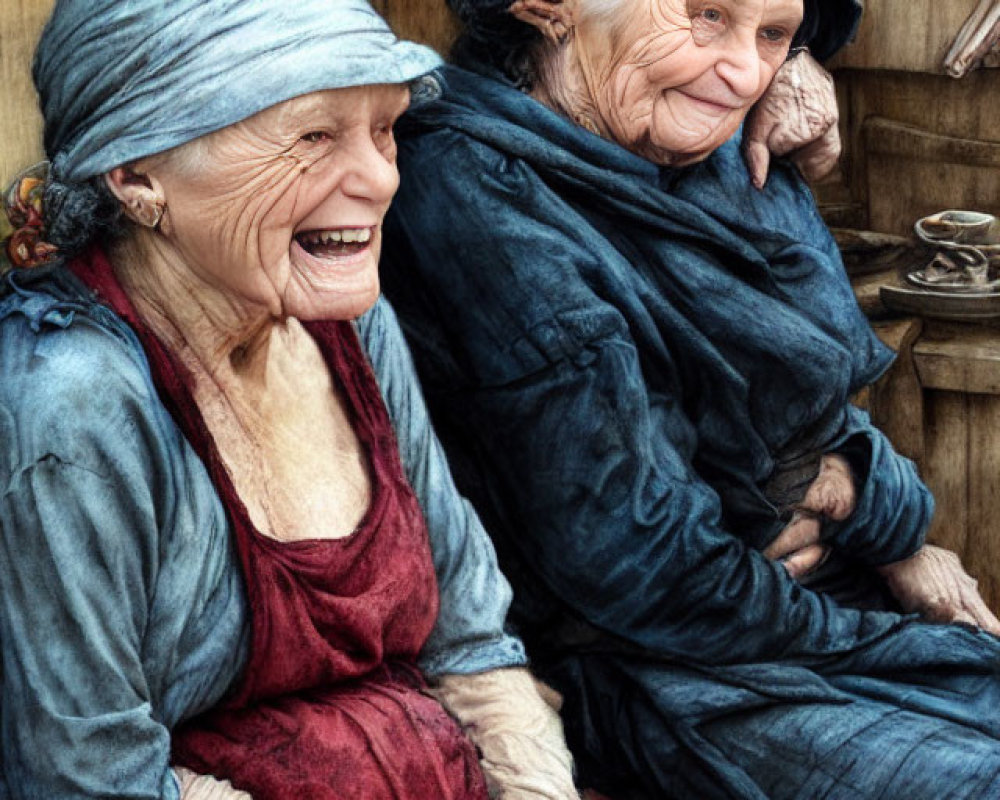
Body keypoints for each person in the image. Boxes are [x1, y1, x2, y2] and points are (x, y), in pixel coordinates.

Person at [379, 0, 1000, 797]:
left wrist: (866, 498)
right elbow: (640, 559)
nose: (746, 70)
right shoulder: (477, 195)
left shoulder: (703, 138)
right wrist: (835, 528)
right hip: (662, 673)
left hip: (793, 611)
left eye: (775, 35)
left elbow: (805, 417)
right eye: (707, 15)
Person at [0, 2, 580, 799]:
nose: (381, 178)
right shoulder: (68, 398)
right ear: (137, 176)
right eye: (313, 137)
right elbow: (88, 781)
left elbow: (473, 645)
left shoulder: (352, 324)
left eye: (385, 128)